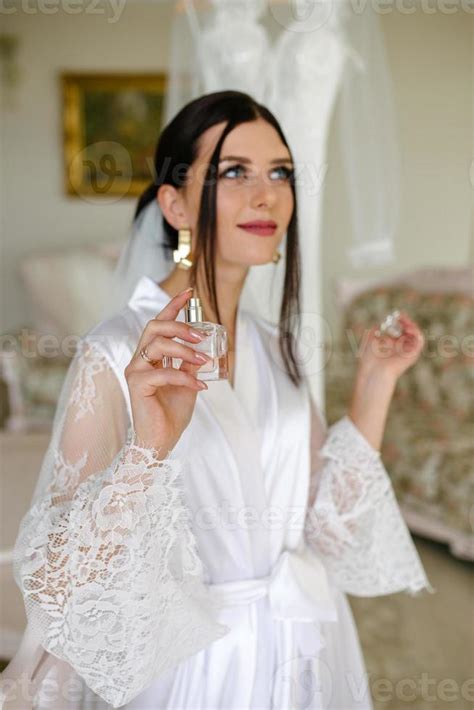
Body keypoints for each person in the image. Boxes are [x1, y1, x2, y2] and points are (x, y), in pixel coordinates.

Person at [0, 91, 434, 710]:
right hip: (195, 669)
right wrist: (147, 451)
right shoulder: (118, 353)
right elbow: (61, 584)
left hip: (306, 645)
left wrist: (375, 384)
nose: (267, 195)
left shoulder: (274, 345)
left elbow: (324, 532)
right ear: (174, 203)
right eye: (234, 172)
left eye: (280, 172)